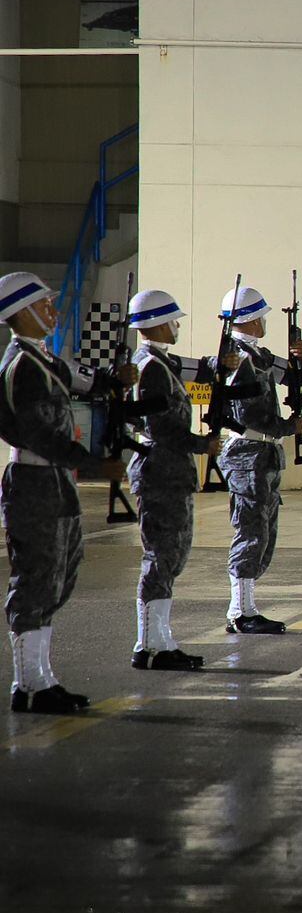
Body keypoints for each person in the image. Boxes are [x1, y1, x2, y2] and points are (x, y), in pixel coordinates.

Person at [0, 271, 134, 712]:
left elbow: (84, 380)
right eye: (43, 305)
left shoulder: (43, 359)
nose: (53, 311)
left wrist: (114, 379)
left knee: (60, 575)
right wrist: (96, 464)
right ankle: (28, 685)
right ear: (20, 313)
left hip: (56, 481)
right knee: (37, 578)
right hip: (37, 480)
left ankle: (42, 678)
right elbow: (41, 436)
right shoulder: (22, 366)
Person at [126, 288, 230, 666]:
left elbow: (202, 366)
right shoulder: (150, 367)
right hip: (160, 469)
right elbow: (162, 428)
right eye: (172, 320)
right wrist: (202, 445)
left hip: (170, 470)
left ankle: (160, 640)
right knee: (160, 556)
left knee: (171, 556)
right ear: (155, 323)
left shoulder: (159, 362)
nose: (176, 326)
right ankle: (150, 645)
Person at [218, 283, 302, 630]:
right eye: (261, 317)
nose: (265, 323)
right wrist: (285, 427)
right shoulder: (237, 359)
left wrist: (301, 355)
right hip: (248, 451)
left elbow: (293, 375)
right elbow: (247, 414)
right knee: (250, 531)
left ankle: (245, 608)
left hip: (263, 453)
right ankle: (240, 612)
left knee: (262, 532)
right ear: (249, 320)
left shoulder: (258, 355)